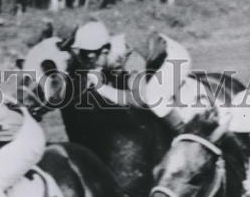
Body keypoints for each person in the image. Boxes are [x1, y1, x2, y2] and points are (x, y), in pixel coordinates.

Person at [68, 20, 204, 131]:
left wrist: (102, 88)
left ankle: (185, 132)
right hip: (153, 55)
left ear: (104, 51)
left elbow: (140, 99)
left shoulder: (131, 60)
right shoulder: (109, 52)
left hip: (175, 57)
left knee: (154, 99)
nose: (87, 64)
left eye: (89, 59)